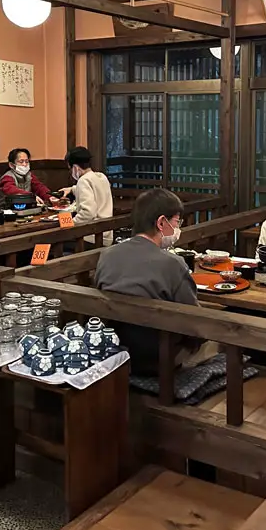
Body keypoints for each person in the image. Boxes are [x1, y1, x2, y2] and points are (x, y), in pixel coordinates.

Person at [94, 188, 213, 376]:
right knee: (212, 338)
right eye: (176, 222)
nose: (177, 228)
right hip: (160, 356)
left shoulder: (106, 255)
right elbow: (193, 322)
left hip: (115, 351)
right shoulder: (173, 263)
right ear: (161, 222)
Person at [59, 146, 114, 245]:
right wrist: (72, 189)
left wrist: (71, 223)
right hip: (106, 235)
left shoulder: (83, 180)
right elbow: (95, 190)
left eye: (70, 169)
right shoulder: (101, 177)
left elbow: (88, 212)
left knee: (55, 240)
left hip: (91, 237)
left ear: (75, 168)